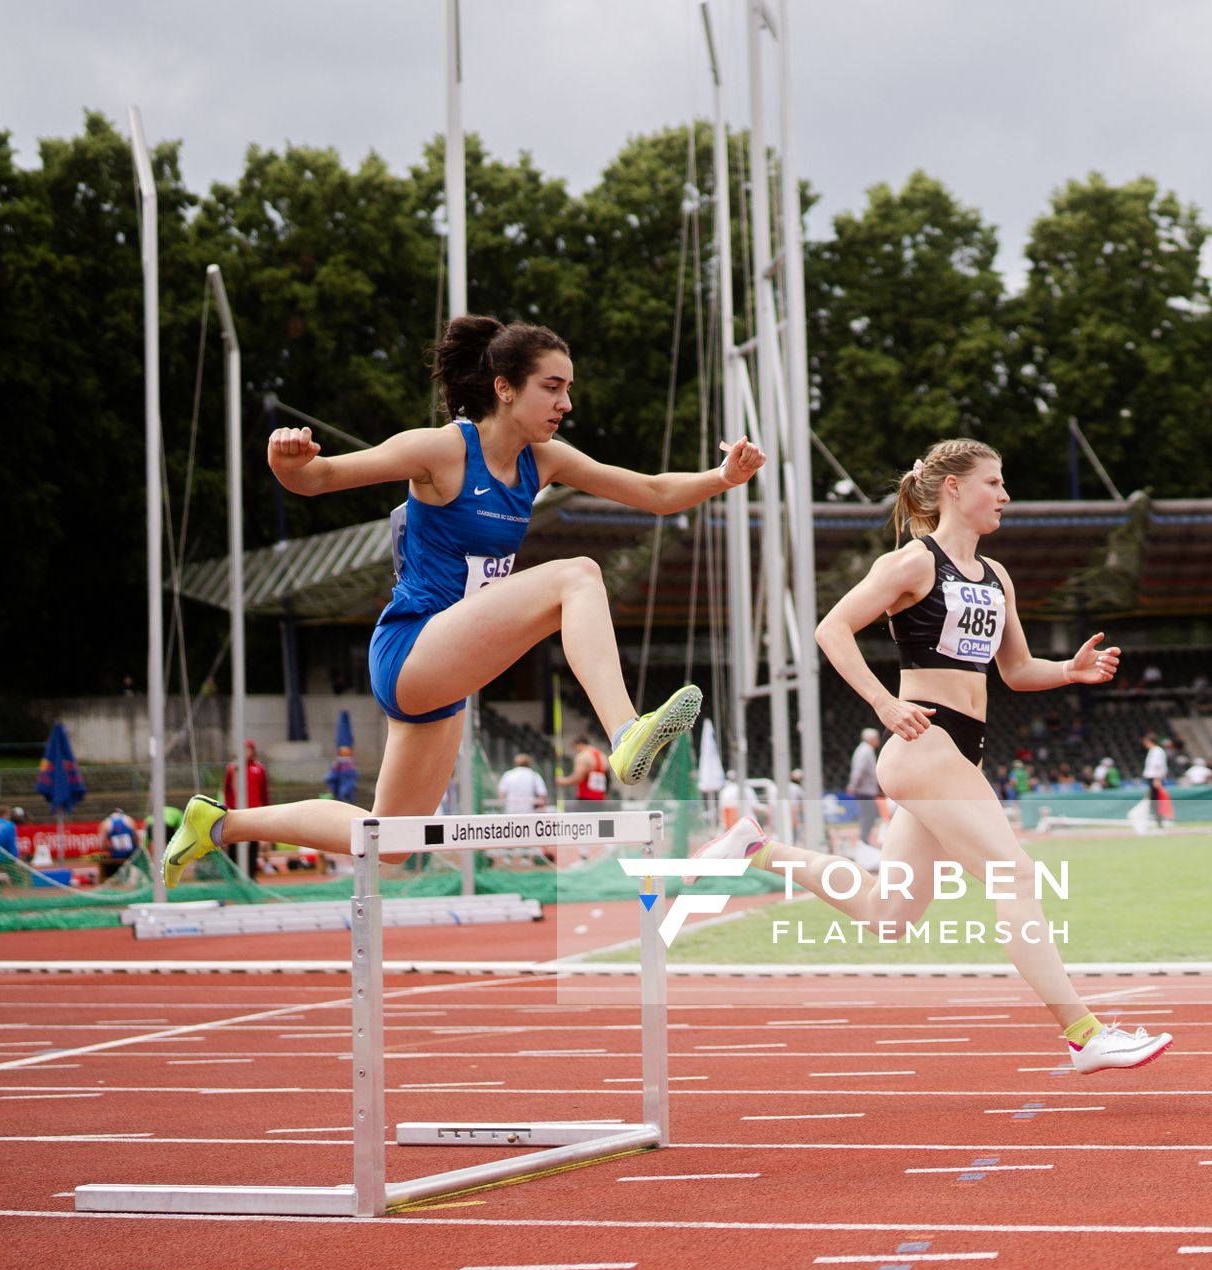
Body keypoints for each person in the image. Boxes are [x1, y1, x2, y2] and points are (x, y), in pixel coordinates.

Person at [162, 314, 762, 883]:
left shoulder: (543, 460)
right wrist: (287, 460)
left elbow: (653, 492)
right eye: (552, 388)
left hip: (447, 670)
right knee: (576, 575)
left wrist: (722, 479)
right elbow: (318, 479)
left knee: (391, 841)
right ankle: (625, 729)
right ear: (504, 388)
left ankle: (218, 823)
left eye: (569, 389)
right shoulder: (442, 450)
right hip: (410, 648)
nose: (566, 404)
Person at [687, 439, 1170, 1075]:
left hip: (959, 752)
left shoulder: (997, 577)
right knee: (1016, 875)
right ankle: (1084, 1034)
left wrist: (1069, 672)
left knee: (889, 917)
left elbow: (1018, 670)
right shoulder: (913, 563)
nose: (1004, 495)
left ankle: (754, 848)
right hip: (924, 744)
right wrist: (885, 705)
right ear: (952, 489)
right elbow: (831, 628)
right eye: (993, 483)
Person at [223, 739, 272, 877]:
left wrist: (266, 809)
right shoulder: (233, 768)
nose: (246, 752)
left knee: (252, 842)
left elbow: (264, 792)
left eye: (248, 749)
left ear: (253, 751)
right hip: (237, 811)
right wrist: (229, 807)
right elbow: (227, 790)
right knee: (234, 841)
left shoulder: (259, 769)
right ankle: (234, 874)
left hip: (254, 811)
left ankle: (251, 875)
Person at [847, 727, 883, 849]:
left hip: (866, 789)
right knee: (868, 815)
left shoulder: (865, 750)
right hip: (864, 790)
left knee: (869, 815)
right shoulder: (865, 751)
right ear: (871, 739)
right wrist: (853, 785)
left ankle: (864, 840)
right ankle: (864, 841)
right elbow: (859, 770)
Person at [556, 735, 610, 812]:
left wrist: (563, 781)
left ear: (579, 745)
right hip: (600, 798)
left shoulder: (583, 756)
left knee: (584, 822)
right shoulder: (603, 756)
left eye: (575, 748)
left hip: (585, 798)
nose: (576, 751)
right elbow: (607, 778)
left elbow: (578, 778)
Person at [97, 807, 143, 880]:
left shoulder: (105, 823)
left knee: (104, 858)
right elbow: (137, 839)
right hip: (131, 854)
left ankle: (110, 878)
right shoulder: (129, 819)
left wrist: (111, 849)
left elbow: (101, 845)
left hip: (116, 854)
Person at [1141, 733, 1171, 827]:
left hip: (1155, 778)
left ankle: (1159, 821)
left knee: (1156, 800)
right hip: (1153, 778)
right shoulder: (1153, 751)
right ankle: (1158, 820)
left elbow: (1157, 766)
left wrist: (1157, 779)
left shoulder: (1156, 751)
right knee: (1154, 800)